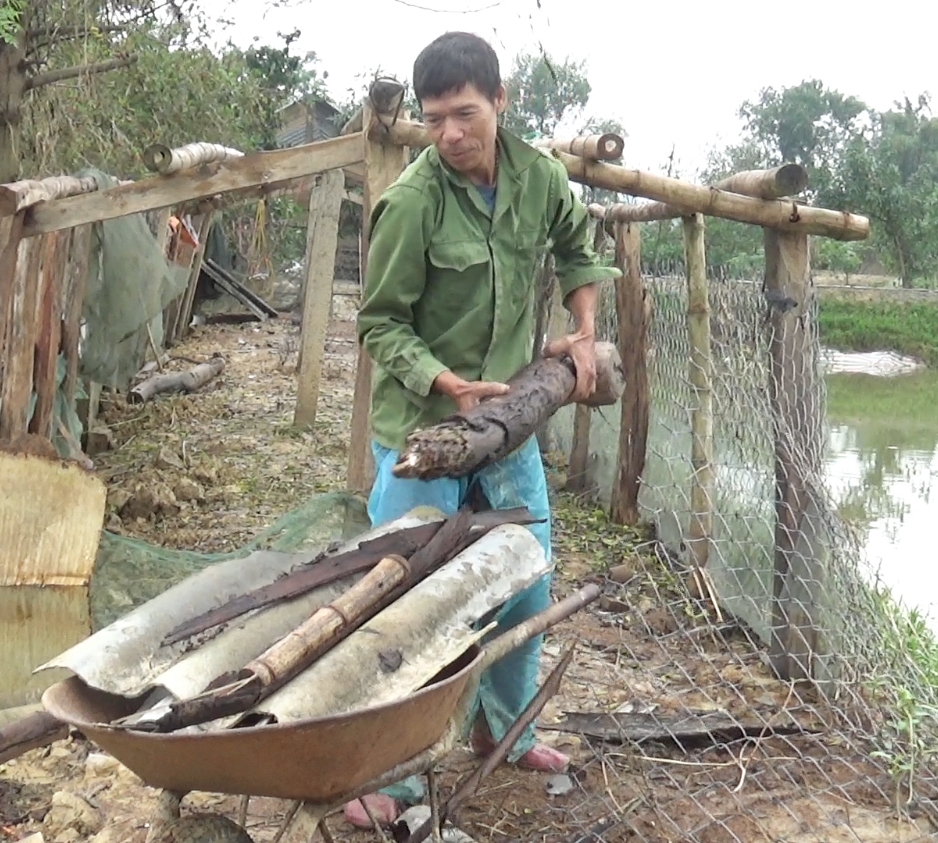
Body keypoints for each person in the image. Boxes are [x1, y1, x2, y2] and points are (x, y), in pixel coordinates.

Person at [346, 31, 619, 830]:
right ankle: (387, 774)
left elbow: (578, 246)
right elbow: (381, 324)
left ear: (502, 101)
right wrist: (444, 382)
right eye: (435, 121)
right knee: (405, 602)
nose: (450, 135)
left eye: (464, 114)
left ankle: (506, 727)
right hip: (424, 432)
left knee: (527, 577)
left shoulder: (539, 178)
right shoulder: (411, 202)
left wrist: (581, 328)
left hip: (508, 426)